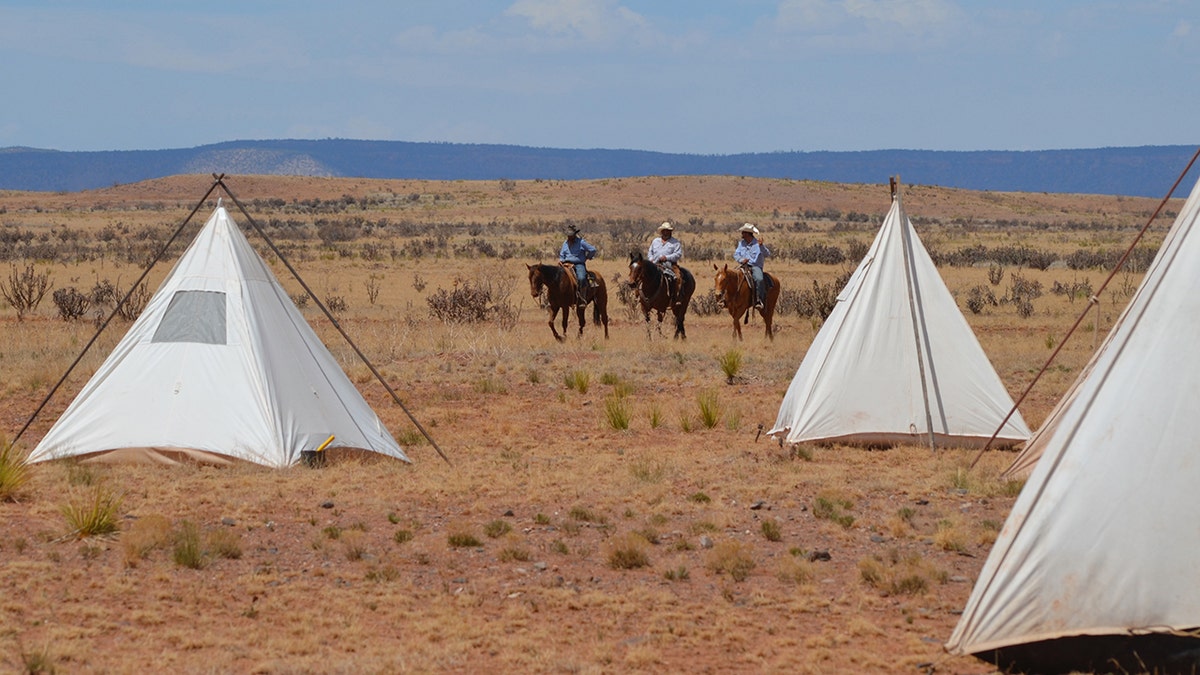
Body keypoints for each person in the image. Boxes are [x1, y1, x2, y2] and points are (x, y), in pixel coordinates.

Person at [559, 224, 597, 306]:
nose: (569, 237)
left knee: (581, 278)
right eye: (568, 235)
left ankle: (582, 298)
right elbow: (562, 255)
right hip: (566, 264)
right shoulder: (565, 244)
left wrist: (587, 257)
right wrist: (561, 261)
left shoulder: (581, 242)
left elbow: (593, 250)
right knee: (556, 278)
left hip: (578, 264)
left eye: (571, 235)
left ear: (574, 235)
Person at [735, 223, 770, 309]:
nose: (742, 234)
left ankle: (759, 300)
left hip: (755, 266)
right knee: (730, 276)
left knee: (759, 279)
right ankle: (727, 299)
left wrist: (761, 246)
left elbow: (767, 254)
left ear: (747, 233)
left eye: (743, 232)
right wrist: (741, 260)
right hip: (743, 265)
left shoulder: (758, 244)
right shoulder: (741, 243)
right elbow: (736, 254)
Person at [648, 221, 683, 305]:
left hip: (669, 264)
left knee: (677, 278)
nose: (666, 232)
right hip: (655, 263)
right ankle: (640, 296)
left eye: (668, 231)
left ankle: (676, 297)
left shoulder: (675, 242)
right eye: (664, 230)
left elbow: (678, 254)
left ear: (670, 232)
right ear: (661, 231)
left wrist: (667, 257)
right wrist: (651, 259)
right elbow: (650, 252)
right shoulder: (655, 241)